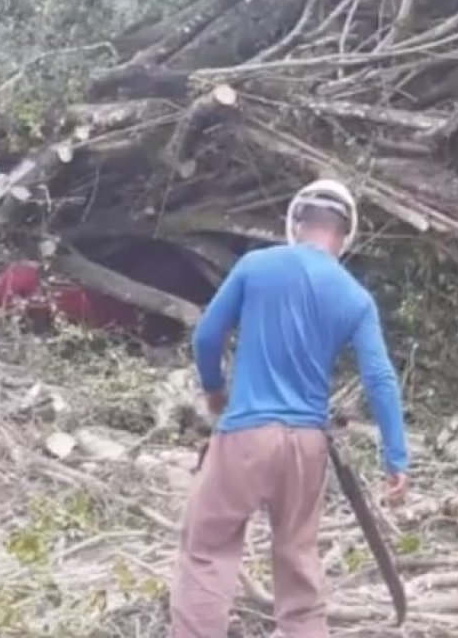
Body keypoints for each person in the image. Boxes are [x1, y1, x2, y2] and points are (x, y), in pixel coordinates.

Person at [170, 178, 410, 638]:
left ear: (296, 222)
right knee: (299, 564)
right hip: (307, 447)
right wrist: (396, 457)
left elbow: (206, 337)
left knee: (207, 552)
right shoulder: (355, 297)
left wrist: (215, 392)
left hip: (244, 436)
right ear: (345, 234)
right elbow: (379, 378)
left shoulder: (256, 265)